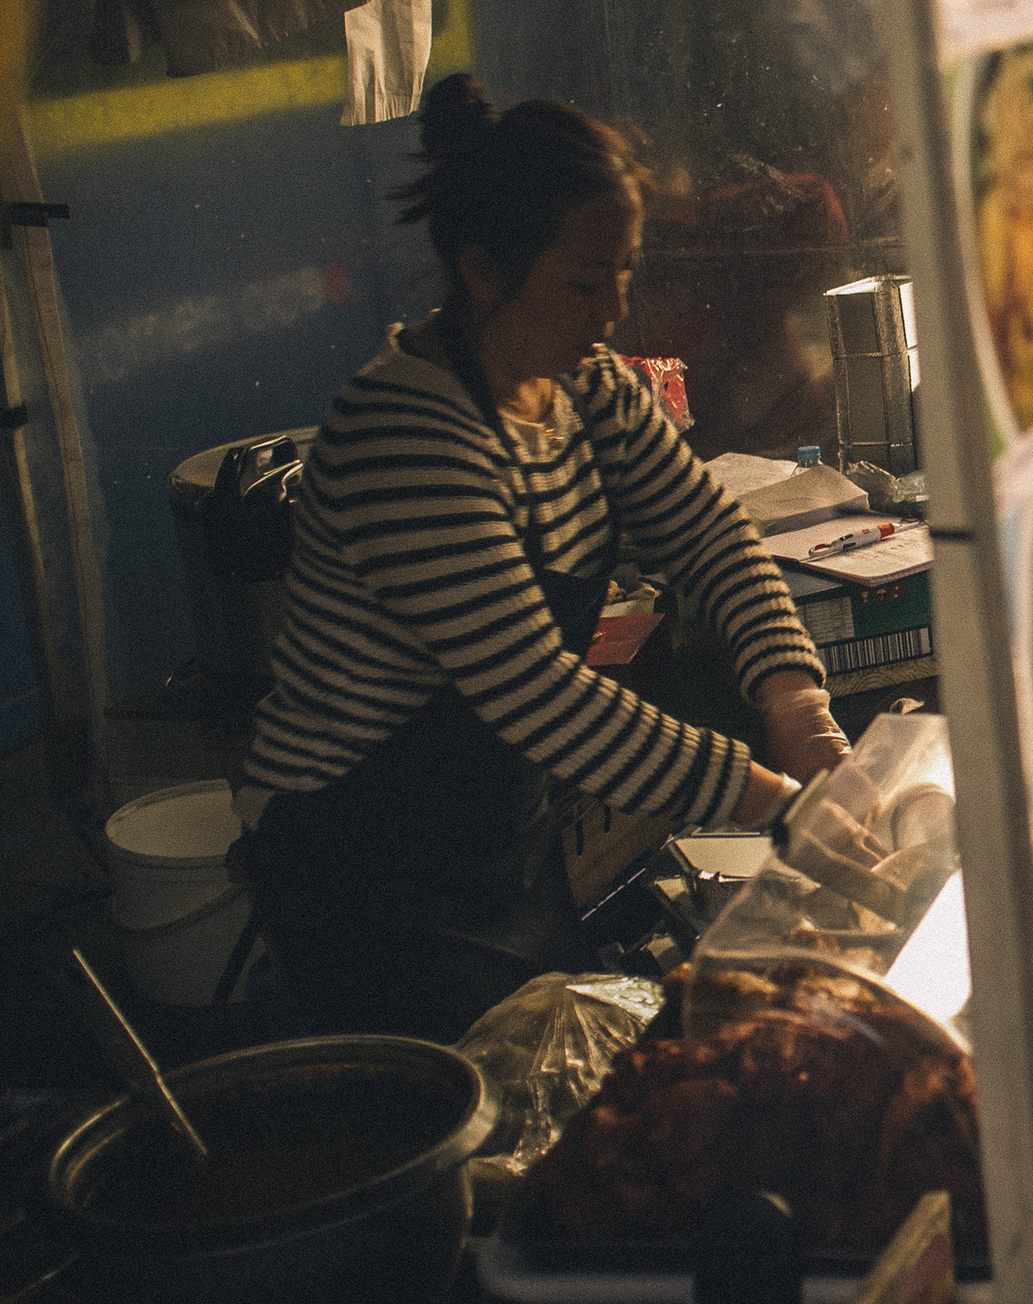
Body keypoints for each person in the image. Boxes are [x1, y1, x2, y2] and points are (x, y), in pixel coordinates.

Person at [238, 75, 849, 1042]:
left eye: (624, 271)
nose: (613, 308)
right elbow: (539, 693)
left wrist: (795, 702)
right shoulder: (407, 432)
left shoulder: (585, 388)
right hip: (359, 866)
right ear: (482, 271)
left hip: (494, 841)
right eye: (582, 281)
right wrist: (772, 799)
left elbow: (710, 533)